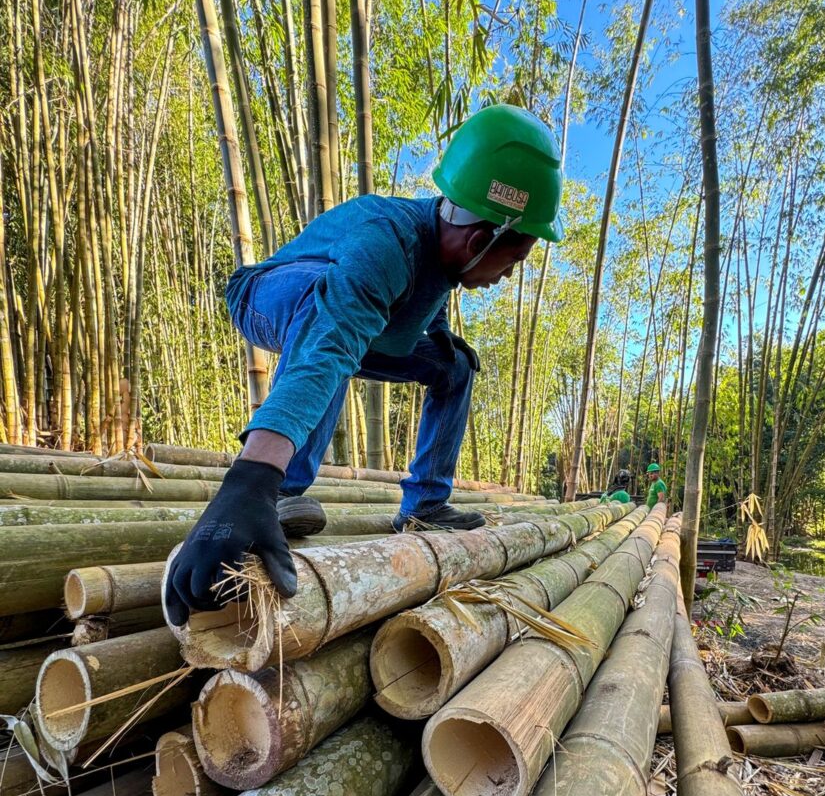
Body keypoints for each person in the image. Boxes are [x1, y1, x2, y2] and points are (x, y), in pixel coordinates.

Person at [165, 104, 564, 625]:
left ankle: (424, 507)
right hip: (266, 297)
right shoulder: (386, 242)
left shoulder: (448, 254)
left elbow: (426, 299)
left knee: (455, 367)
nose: (509, 275)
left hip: (360, 325)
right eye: (514, 260)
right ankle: (279, 491)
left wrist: (441, 340)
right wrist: (249, 482)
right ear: (479, 240)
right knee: (327, 320)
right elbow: (329, 346)